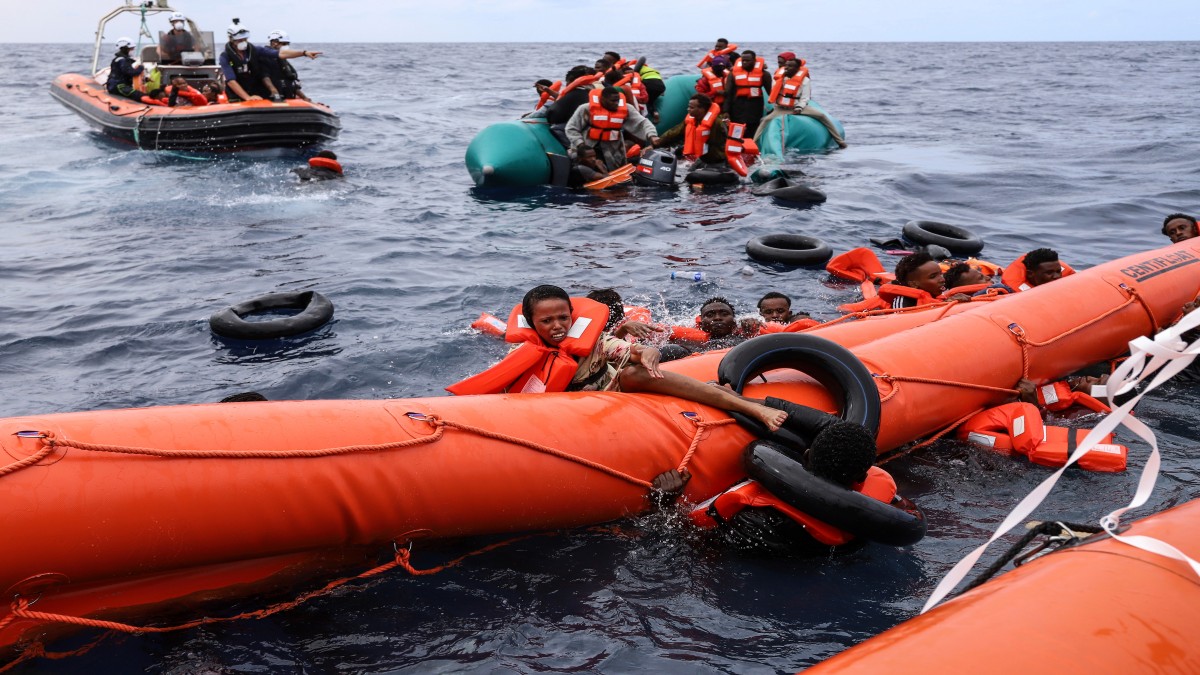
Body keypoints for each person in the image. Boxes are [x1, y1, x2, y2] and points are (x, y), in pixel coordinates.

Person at [447, 285, 788, 431]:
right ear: (532, 323)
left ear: (572, 315)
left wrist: (648, 351)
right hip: (563, 409)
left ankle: (749, 407)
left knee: (635, 374)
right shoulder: (520, 352)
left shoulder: (592, 338)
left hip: (608, 391)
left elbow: (625, 349)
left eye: (563, 318)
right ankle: (721, 392)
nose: (557, 327)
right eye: (546, 321)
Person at [652, 404, 892, 555]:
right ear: (863, 475)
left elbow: (688, 538)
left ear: (805, 456)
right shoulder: (881, 511)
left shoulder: (756, 518)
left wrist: (665, 502)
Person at [754, 57, 846, 148]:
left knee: (822, 116)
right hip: (781, 109)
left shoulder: (805, 81)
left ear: (797, 69)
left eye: (790, 66)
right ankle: (754, 143)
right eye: (786, 65)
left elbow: (805, 98)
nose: (786, 68)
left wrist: (799, 107)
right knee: (764, 120)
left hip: (797, 107)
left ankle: (840, 141)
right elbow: (774, 94)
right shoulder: (778, 79)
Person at [565, 86, 659, 173]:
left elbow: (642, 123)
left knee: (616, 171)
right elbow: (571, 128)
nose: (616, 103)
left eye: (618, 101)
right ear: (602, 99)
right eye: (613, 101)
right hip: (587, 147)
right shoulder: (585, 109)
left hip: (613, 149)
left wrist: (652, 136)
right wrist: (581, 146)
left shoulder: (626, 109)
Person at [653, 94, 729, 167]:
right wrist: (657, 143)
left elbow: (726, 141)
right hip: (701, 159)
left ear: (702, 109)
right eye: (688, 107)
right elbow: (674, 132)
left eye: (691, 108)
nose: (688, 109)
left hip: (717, 161)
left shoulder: (718, 123)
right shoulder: (692, 120)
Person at [262, 30, 319, 101]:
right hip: (271, 99)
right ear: (274, 43)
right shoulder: (265, 57)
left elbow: (290, 80)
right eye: (284, 44)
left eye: (287, 44)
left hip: (287, 98)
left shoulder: (281, 60)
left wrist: (304, 97)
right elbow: (264, 76)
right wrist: (274, 91)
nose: (286, 46)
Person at [724, 50, 768, 141]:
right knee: (737, 132)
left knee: (752, 131)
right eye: (743, 60)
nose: (744, 62)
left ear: (754, 61)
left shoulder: (764, 74)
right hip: (737, 108)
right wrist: (726, 111)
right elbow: (728, 94)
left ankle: (751, 149)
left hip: (755, 107)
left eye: (748, 61)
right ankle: (735, 149)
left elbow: (771, 92)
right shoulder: (733, 74)